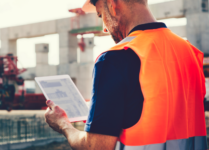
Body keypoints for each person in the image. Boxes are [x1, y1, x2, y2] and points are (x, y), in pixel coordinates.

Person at [44, 0, 208, 149]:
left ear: (112, 5)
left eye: (101, 15)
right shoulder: (190, 52)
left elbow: (96, 146)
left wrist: (63, 124)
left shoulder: (114, 58)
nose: (105, 28)